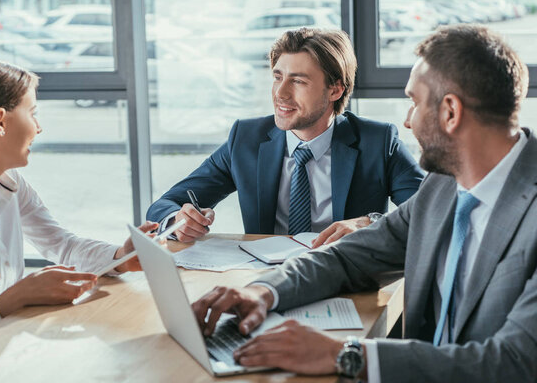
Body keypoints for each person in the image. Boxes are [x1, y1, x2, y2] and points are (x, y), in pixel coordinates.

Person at [192, 25, 536, 382]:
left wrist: (347, 354)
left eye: (414, 102)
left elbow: (514, 362)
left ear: (450, 112)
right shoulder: (443, 187)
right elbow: (348, 256)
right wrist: (262, 292)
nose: (407, 120)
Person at [0, 53, 156, 354]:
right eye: (33, 112)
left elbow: (62, 245)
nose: (39, 128)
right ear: (0, 121)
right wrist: (12, 300)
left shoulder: (10, 184)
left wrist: (119, 256)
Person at [146, 28, 424, 246]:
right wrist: (179, 219)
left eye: (299, 81)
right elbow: (163, 205)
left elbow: (432, 210)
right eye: (278, 77)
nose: (281, 93)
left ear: (335, 90)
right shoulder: (246, 139)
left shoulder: (378, 142)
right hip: (267, 282)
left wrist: (371, 222)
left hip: (348, 279)